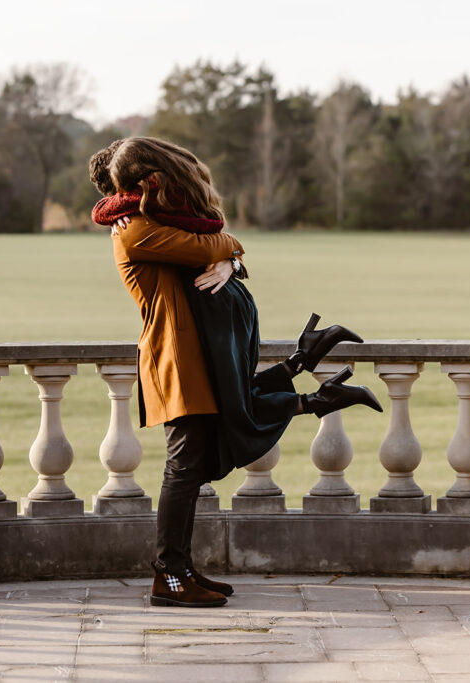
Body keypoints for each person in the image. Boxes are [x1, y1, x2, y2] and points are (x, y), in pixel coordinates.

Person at [90, 136, 381, 608]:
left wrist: (228, 261)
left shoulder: (156, 222)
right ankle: (169, 574)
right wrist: (228, 252)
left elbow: (213, 247)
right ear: (148, 182)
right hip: (178, 362)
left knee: (196, 462)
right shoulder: (134, 230)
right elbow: (218, 241)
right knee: (184, 469)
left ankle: (180, 569)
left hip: (199, 355)